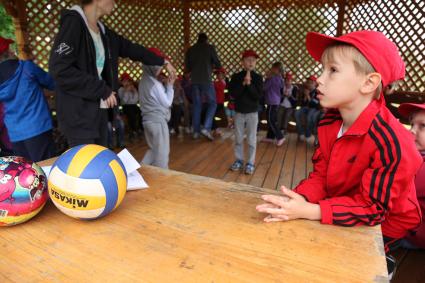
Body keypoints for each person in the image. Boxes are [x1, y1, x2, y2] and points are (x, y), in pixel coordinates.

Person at [256, 31, 422, 278]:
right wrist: (297, 200)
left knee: (346, 268)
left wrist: (312, 211)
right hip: (345, 201)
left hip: (385, 224)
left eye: (332, 70)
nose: (319, 79)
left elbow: (373, 209)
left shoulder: (393, 141)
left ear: (368, 82)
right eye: (321, 69)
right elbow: (322, 174)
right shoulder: (331, 122)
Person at [49, 0, 176, 148]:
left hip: (99, 112)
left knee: (101, 162)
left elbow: (132, 49)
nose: (115, 2)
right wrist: (101, 89)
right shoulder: (74, 23)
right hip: (79, 115)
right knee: (87, 166)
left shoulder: (104, 33)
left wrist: (163, 61)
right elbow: (60, 69)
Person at [0, 36, 56, 162]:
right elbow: (52, 83)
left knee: (26, 172)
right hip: (38, 127)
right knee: (46, 167)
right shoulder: (26, 68)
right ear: (7, 52)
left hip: (15, 134)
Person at [138, 48, 175, 169]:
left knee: (153, 149)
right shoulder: (155, 84)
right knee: (162, 152)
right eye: (159, 66)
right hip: (157, 121)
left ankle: (141, 170)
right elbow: (167, 103)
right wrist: (170, 86)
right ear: (152, 66)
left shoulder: (143, 81)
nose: (160, 69)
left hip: (147, 121)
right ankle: (163, 176)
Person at [229, 50, 263, 175]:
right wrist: (243, 83)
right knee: (238, 138)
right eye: (248, 60)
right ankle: (239, 160)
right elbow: (233, 94)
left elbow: (257, 96)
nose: (251, 62)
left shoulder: (258, 78)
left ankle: (250, 162)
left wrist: (249, 84)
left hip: (252, 113)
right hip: (239, 112)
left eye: (253, 60)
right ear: (242, 62)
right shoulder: (236, 77)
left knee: (251, 139)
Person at [185, 33, 222, 140]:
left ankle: (196, 132)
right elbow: (218, 64)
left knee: (197, 106)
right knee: (213, 103)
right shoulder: (210, 48)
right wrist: (212, 66)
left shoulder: (191, 50)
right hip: (206, 80)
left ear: (198, 39)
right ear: (206, 40)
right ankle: (206, 128)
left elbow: (188, 68)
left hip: (194, 81)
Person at [398, 103, 425, 250]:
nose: (412, 131)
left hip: (413, 235)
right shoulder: (418, 156)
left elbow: (394, 188)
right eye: (412, 124)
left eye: (423, 126)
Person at [262, 62, 285, 146]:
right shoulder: (280, 78)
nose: (271, 69)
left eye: (273, 68)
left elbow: (264, 87)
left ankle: (280, 137)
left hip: (272, 102)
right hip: (275, 102)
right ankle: (270, 137)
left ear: (277, 70)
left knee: (271, 120)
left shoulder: (273, 78)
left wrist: (267, 78)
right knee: (272, 119)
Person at [294, 75, 320, 143]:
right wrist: (305, 96)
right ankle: (301, 133)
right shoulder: (306, 90)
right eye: (308, 82)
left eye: (311, 82)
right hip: (305, 108)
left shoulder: (317, 92)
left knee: (309, 116)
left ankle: (308, 134)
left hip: (313, 109)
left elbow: (316, 105)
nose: (309, 84)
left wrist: (308, 96)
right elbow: (303, 104)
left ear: (315, 83)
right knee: (296, 113)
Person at [118, 73, 140, 142]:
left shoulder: (132, 88)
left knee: (140, 112)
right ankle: (133, 131)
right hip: (125, 106)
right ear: (121, 82)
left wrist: (134, 92)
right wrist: (126, 91)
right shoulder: (121, 90)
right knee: (131, 113)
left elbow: (136, 100)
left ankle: (138, 129)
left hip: (133, 105)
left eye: (128, 81)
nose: (126, 83)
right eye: (124, 81)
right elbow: (124, 101)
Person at [277, 72, 298, 137]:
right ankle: (279, 129)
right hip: (282, 105)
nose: (287, 82)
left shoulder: (294, 88)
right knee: (279, 113)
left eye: (289, 80)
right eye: (286, 80)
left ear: (291, 81)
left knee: (287, 115)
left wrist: (290, 96)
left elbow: (295, 100)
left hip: (290, 107)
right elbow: (279, 98)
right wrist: (283, 95)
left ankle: (284, 129)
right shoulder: (282, 88)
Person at [212, 67, 227, 136]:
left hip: (219, 102)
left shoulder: (221, 83)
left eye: (220, 74)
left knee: (213, 115)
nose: (218, 75)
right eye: (217, 74)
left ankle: (216, 129)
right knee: (214, 115)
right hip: (217, 102)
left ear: (223, 75)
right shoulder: (217, 82)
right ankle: (216, 129)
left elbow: (214, 85)